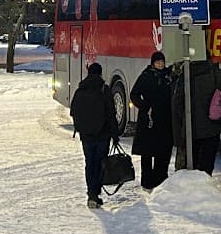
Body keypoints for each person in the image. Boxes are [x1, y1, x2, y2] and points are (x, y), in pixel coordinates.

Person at [172, 56, 221, 174]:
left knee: (193, 165)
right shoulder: (214, 71)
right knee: (207, 164)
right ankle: (205, 186)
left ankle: (195, 189)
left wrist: (180, 131)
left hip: (192, 129)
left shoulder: (185, 75)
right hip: (212, 127)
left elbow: (177, 104)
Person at [69, 61, 119, 208]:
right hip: (102, 134)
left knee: (89, 164)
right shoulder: (104, 90)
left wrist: (81, 128)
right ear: (100, 74)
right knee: (99, 164)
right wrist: (115, 135)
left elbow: (73, 111)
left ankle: (91, 193)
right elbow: (111, 114)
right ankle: (95, 194)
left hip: (86, 135)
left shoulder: (80, 90)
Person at [129, 50, 173, 190]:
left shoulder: (169, 76)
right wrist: (144, 106)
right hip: (148, 119)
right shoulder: (146, 76)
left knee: (163, 151)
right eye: (158, 62)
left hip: (165, 119)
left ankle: (160, 179)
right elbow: (134, 94)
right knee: (147, 152)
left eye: (162, 62)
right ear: (153, 63)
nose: (160, 64)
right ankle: (147, 181)